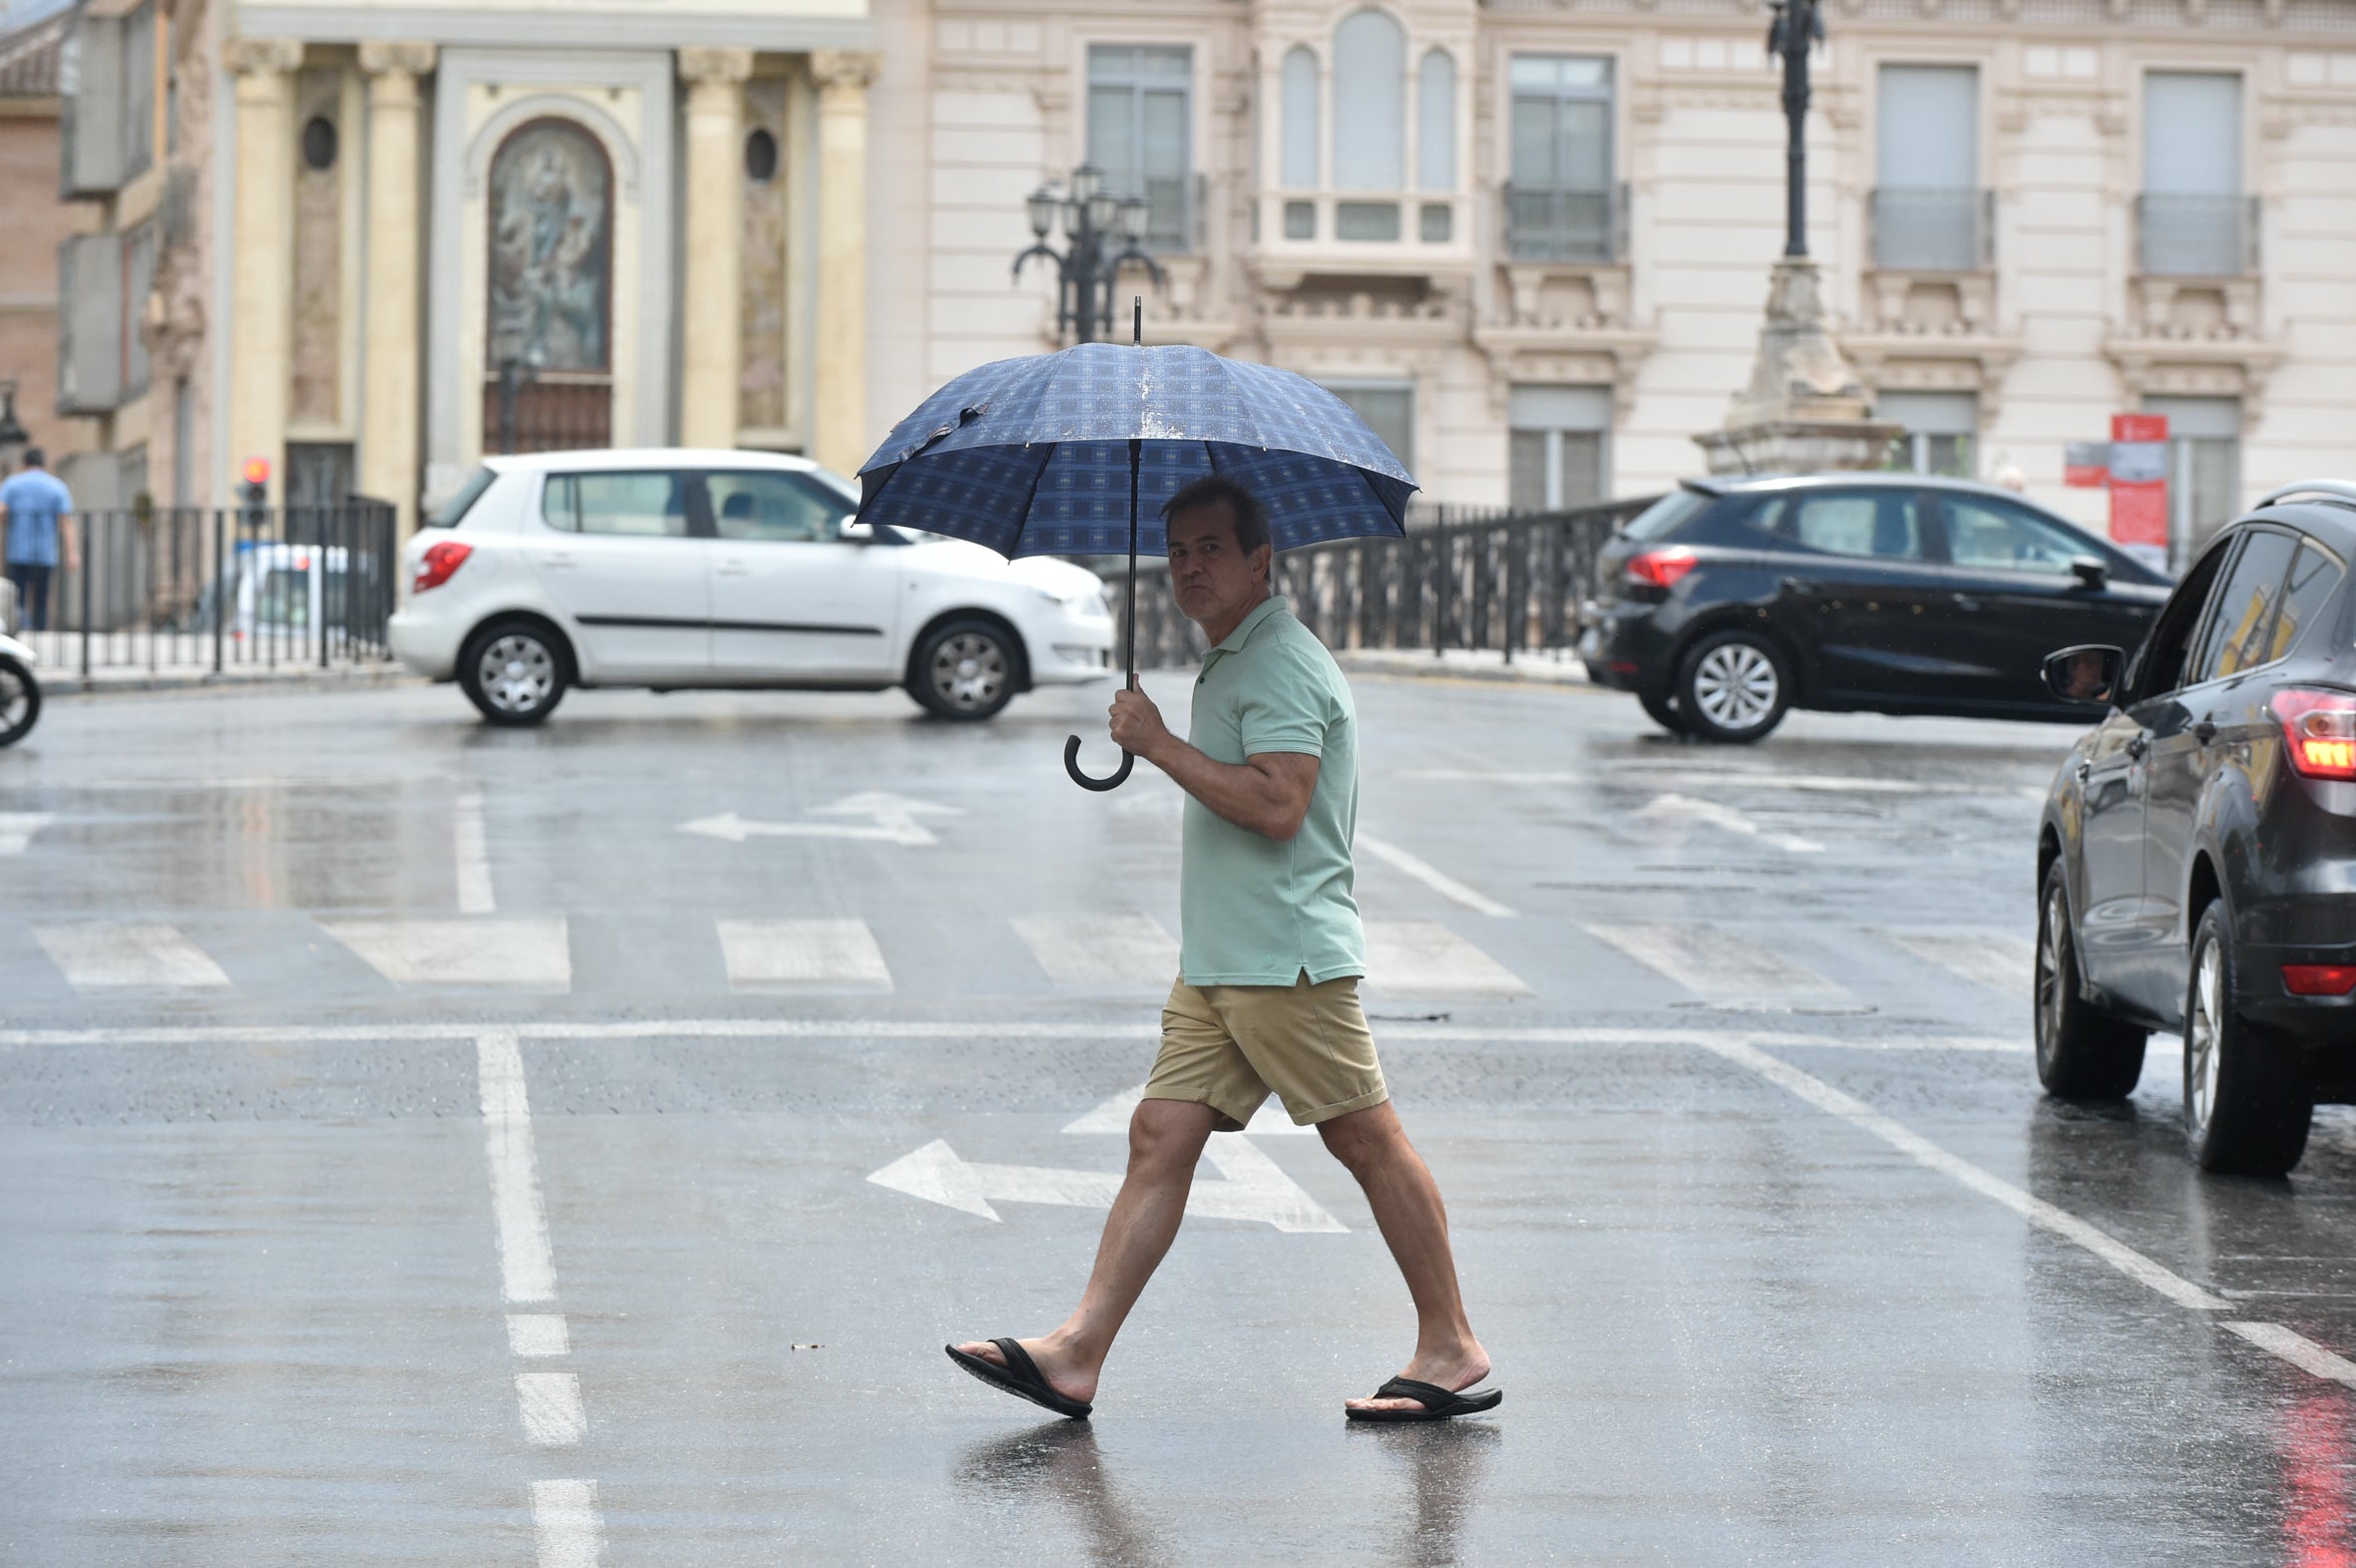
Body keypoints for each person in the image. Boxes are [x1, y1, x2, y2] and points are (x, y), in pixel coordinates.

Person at [948, 476, 1499, 1424]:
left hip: (1282, 956)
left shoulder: (1278, 661)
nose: (1190, 567)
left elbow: (1280, 807)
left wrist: (1157, 743)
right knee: (1159, 1137)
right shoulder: (1234, 657)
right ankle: (1077, 1355)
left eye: (1211, 548)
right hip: (1222, 961)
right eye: (1178, 551)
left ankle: (1450, 1345)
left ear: (1260, 560)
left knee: (1366, 1139)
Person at [1, 448, 77, 632]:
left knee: (17, 596)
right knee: (41, 598)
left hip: (18, 550)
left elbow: (1, 511)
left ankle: (21, 629)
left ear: (24, 464)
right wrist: (72, 553)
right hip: (45, 552)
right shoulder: (56, 486)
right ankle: (39, 632)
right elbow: (66, 523)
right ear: (44, 464)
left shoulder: (12, 484)